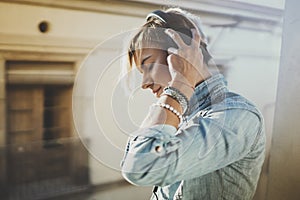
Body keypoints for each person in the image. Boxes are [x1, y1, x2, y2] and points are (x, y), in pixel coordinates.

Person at [121, 8, 265, 200]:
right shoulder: (177, 116)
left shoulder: (237, 116)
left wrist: (180, 82)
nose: (144, 83)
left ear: (182, 53)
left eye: (149, 66)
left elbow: (140, 166)